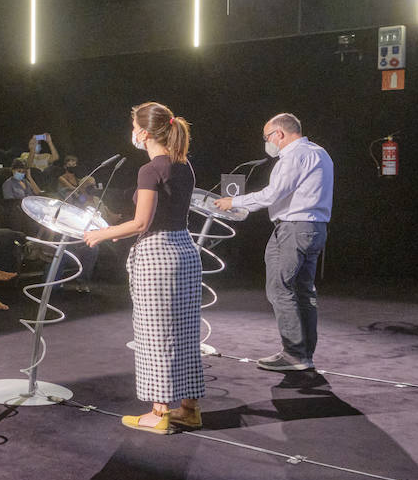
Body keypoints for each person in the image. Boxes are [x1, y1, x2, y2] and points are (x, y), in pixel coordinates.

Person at [83, 102, 202, 435]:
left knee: (156, 335)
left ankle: (159, 413)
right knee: (184, 333)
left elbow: (141, 223)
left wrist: (101, 233)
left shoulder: (150, 170)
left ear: (145, 132)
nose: (132, 132)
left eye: (134, 126)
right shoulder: (184, 165)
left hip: (158, 256)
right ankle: (189, 409)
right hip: (185, 251)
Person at [213, 112, 333, 372]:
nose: (267, 143)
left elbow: (274, 193)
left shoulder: (295, 155)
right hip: (311, 227)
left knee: (280, 289)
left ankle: (294, 354)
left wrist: (234, 201)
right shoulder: (320, 152)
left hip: (294, 227)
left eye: (267, 137)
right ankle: (303, 354)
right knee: (302, 291)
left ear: (279, 134)